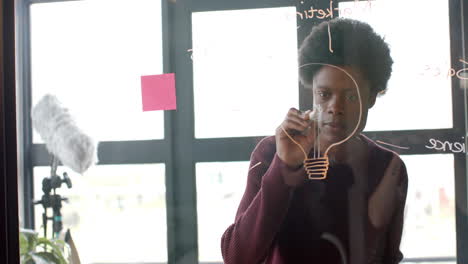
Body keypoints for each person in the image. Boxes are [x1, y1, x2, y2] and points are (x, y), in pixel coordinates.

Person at [220, 18, 408, 264]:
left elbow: (388, 257)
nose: (335, 108)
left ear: (372, 96)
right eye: (324, 94)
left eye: (351, 96)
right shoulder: (271, 152)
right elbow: (238, 257)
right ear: (312, 92)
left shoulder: (388, 166)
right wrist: (284, 165)